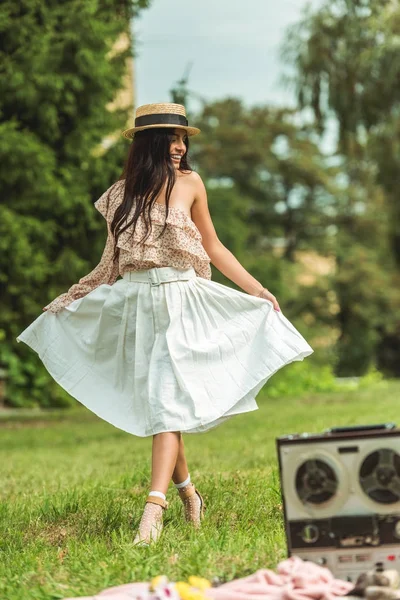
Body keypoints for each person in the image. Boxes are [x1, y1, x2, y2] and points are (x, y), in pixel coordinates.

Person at [16, 102, 313, 546]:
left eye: (183, 140)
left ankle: (153, 511)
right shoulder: (120, 195)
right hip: (134, 304)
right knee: (162, 404)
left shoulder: (192, 184)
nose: (179, 147)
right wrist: (73, 295)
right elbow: (110, 262)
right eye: (171, 140)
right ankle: (190, 493)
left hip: (181, 300)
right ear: (149, 144)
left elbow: (213, 246)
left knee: (166, 402)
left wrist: (256, 289)